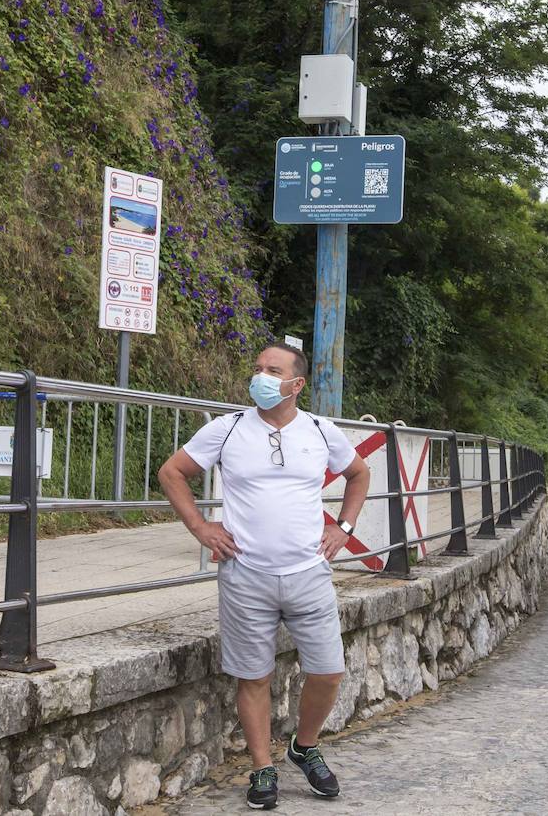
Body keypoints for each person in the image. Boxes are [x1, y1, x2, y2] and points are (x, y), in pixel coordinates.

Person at [157, 343, 371, 810]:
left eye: (272, 371)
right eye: (257, 369)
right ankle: (261, 768)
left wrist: (344, 528)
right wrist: (200, 527)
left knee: (329, 671)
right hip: (244, 574)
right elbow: (172, 472)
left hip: (308, 573)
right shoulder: (228, 428)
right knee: (253, 676)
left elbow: (359, 474)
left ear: (296, 384)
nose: (260, 377)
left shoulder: (320, 431)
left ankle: (304, 746)